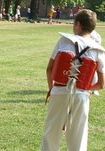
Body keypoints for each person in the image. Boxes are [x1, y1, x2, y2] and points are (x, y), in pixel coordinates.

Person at [41, 9, 105, 151]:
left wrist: (51, 88)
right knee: (78, 137)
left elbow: (49, 69)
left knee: (51, 134)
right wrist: (87, 89)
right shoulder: (98, 50)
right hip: (81, 95)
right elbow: (101, 84)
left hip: (59, 91)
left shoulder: (64, 40)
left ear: (77, 24)